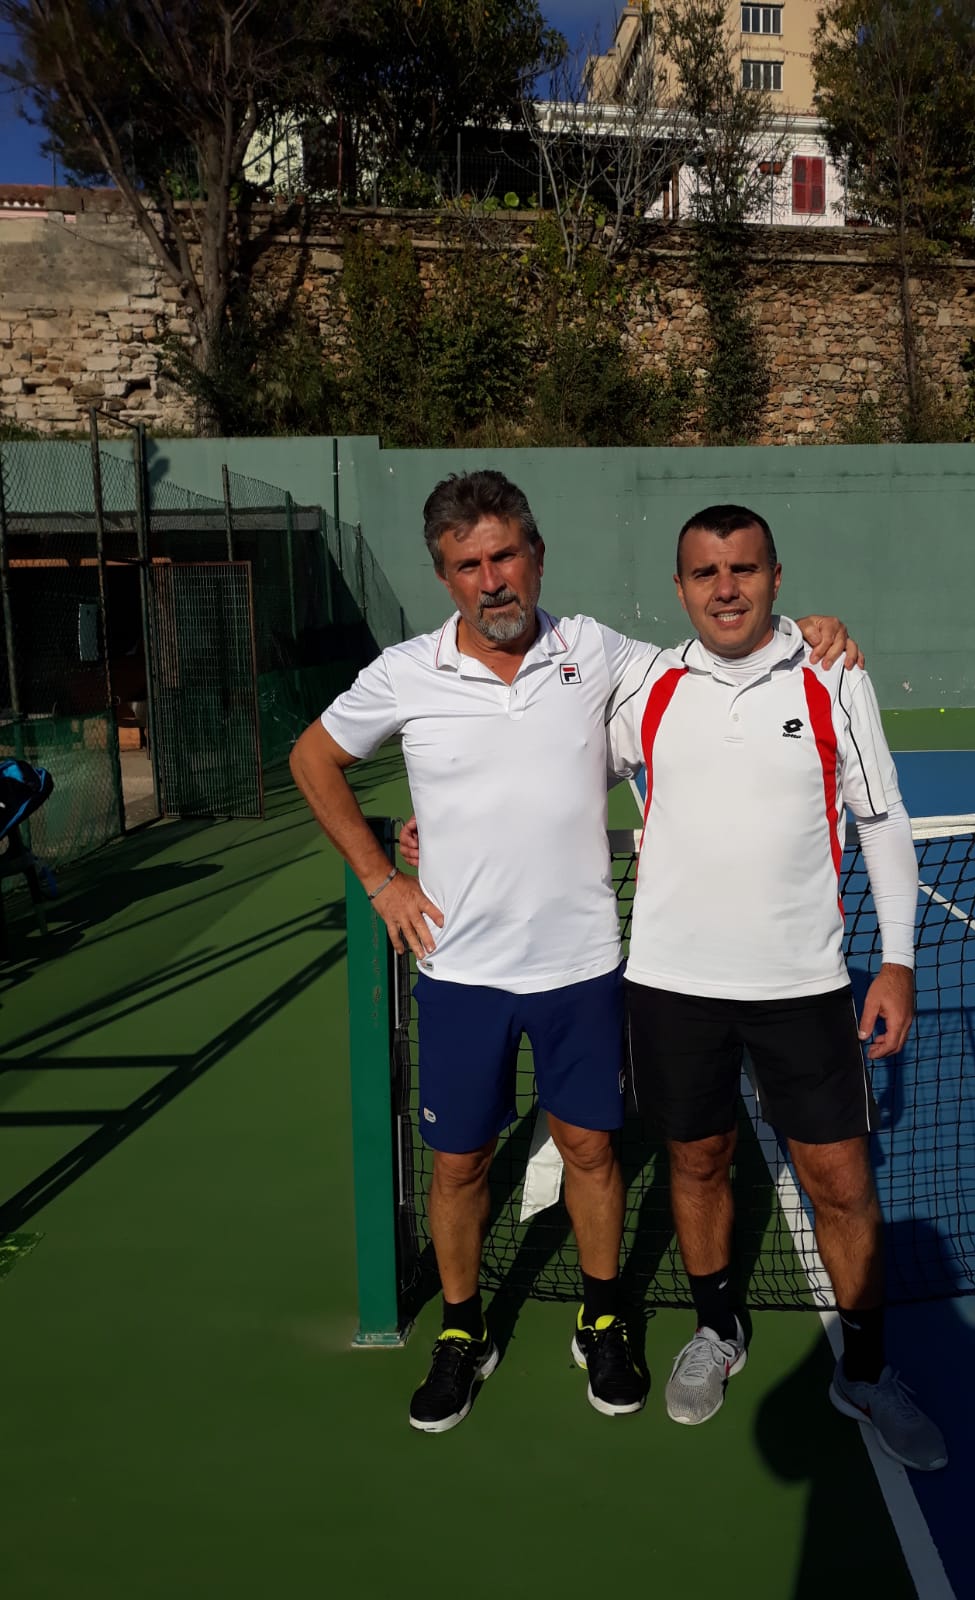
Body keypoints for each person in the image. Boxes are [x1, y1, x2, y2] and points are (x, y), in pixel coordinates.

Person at [289, 470, 856, 1435]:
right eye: (467, 565)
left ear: (537, 556)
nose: (491, 579)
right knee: (460, 1165)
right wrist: (383, 877)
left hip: (586, 965)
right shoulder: (406, 672)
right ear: (445, 576)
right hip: (459, 970)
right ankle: (464, 1332)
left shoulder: (595, 652)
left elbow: (716, 659)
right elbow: (315, 759)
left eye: (505, 555)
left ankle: (602, 1316)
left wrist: (811, 633)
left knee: (594, 1151)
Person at [605, 503, 947, 1471]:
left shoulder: (833, 674)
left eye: (743, 569)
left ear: (775, 576)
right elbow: (549, 780)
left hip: (804, 986)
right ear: (679, 588)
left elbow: (882, 821)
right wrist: (433, 839)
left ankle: (868, 1374)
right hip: (671, 984)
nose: (726, 588)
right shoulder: (648, 686)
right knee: (698, 1162)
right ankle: (717, 1328)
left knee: (841, 1182)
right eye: (706, 573)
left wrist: (898, 960)